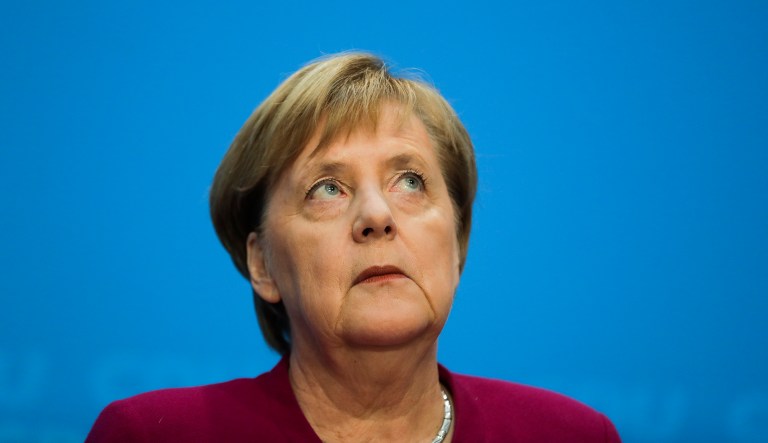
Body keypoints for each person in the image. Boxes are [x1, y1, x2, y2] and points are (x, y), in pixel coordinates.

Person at [86, 52, 621, 442]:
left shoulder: (570, 434)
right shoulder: (157, 435)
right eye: (327, 189)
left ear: (457, 244)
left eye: (410, 181)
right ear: (263, 263)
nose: (377, 217)